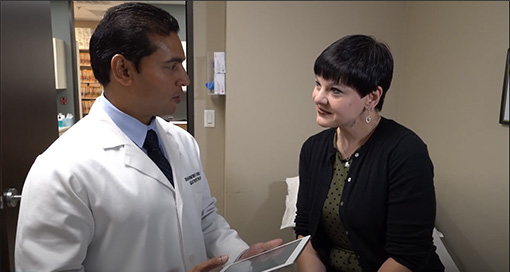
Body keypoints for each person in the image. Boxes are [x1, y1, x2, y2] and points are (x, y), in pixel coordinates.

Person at [15, 3, 281, 271]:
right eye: (171, 67)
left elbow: (205, 218)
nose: (185, 79)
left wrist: (239, 255)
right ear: (123, 70)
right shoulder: (60, 170)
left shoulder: (182, 142)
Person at [294, 34, 445, 271]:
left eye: (335, 90)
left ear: (372, 97)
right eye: (317, 84)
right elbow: (305, 230)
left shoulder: (405, 152)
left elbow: (407, 255)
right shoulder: (313, 149)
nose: (318, 97)